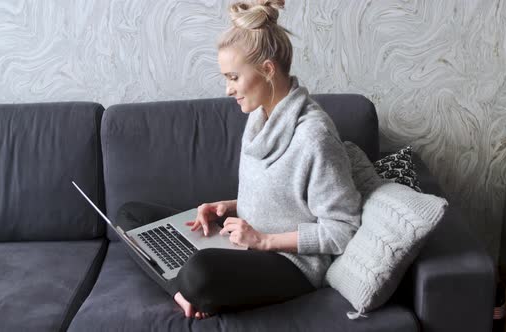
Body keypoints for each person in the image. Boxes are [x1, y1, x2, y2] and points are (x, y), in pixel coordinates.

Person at [117, 0, 361, 320]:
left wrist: (262, 240)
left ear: (267, 70)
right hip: (242, 242)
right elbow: (282, 197)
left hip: (289, 263)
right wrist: (228, 207)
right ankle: (182, 292)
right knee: (129, 216)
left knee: (200, 272)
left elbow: (344, 229)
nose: (228, 89)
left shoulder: (315, 137)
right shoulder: (259, 115)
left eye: (233, 77)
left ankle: (187, 284)